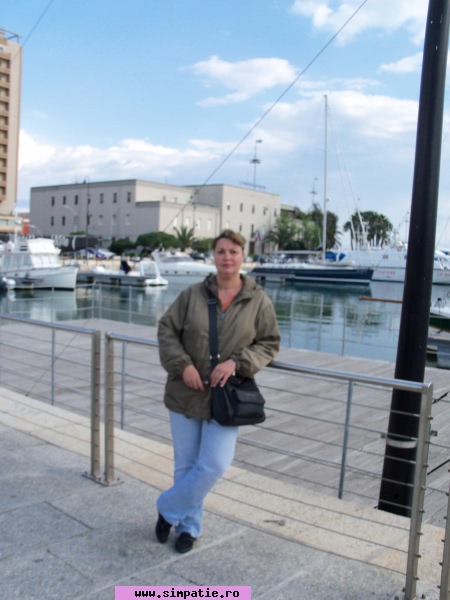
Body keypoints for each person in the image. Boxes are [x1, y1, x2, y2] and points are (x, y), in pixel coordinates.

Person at [155, 229, 280, 553]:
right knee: (186, 465)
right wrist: (183, 365)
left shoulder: (258, 300)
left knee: (214, 465)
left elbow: (269, 343)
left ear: (243, 256)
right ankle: (188, 528)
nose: (227, 257)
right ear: (214, 256)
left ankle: (167, 509)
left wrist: (237, 363)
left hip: (227, 397)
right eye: (221, 251)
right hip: (186, 391)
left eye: (233, 251)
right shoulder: (192, 295)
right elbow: (167, 330)